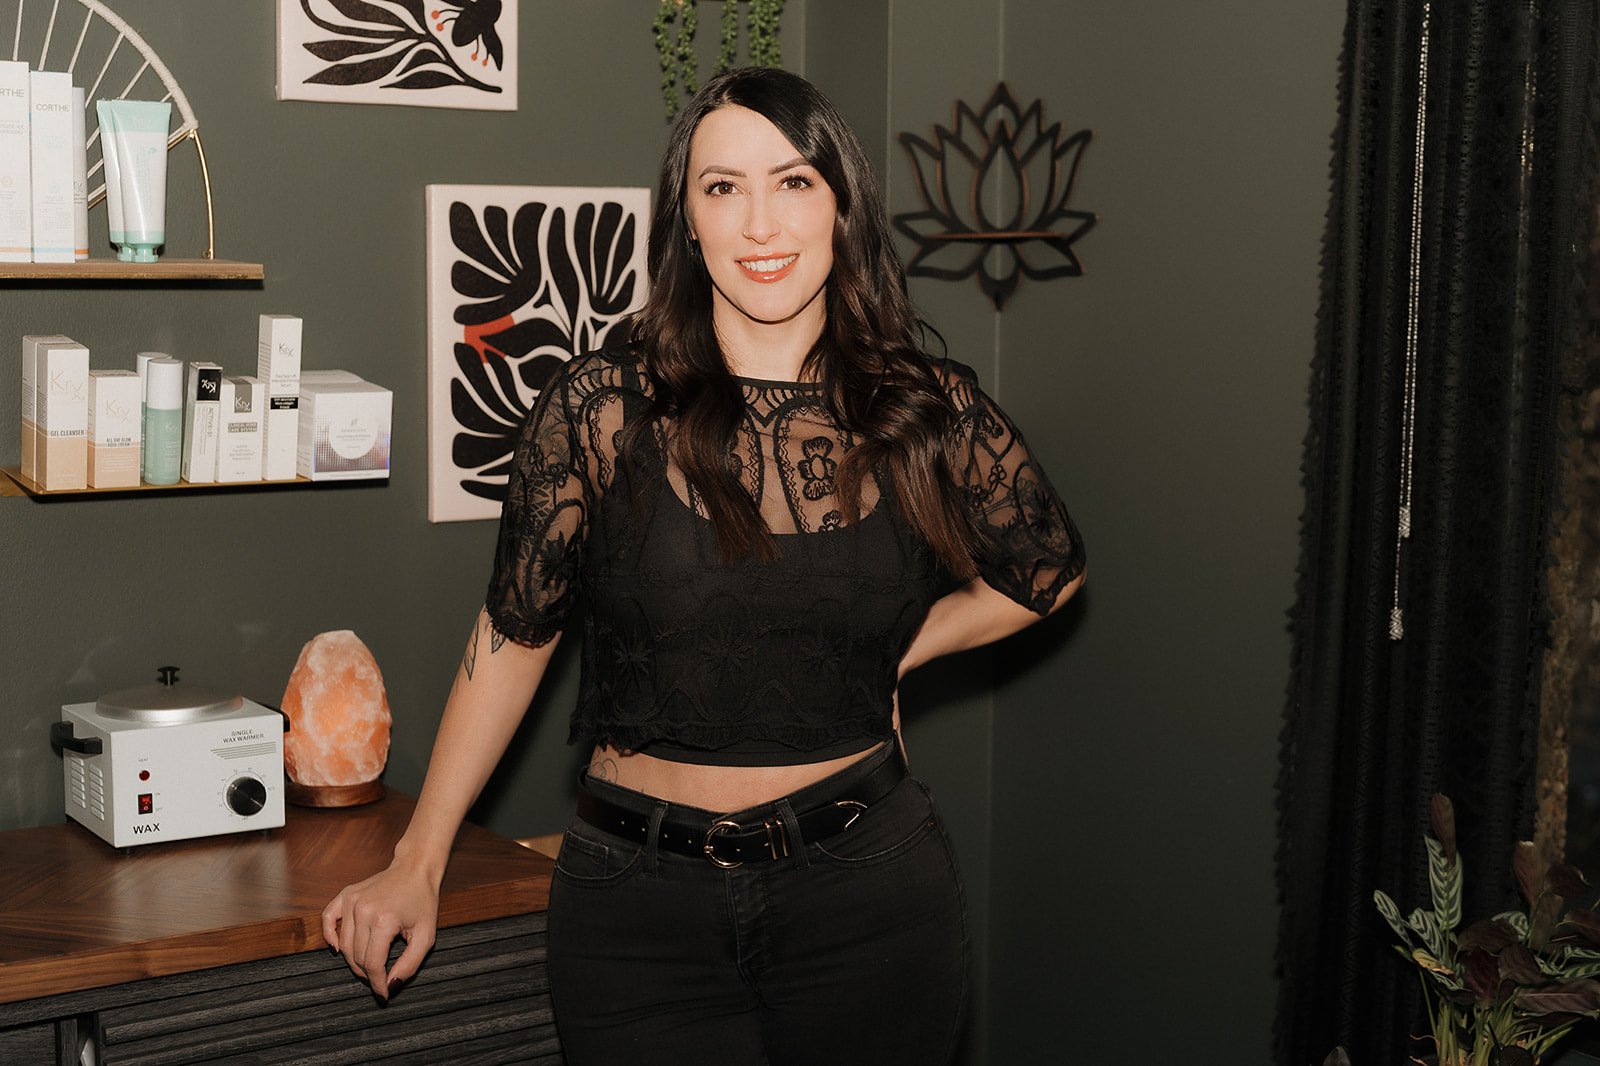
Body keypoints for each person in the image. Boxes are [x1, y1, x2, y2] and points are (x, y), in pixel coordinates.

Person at [322, 66, 1085, 1065]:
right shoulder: (599, 406)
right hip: (637, 914)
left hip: (869, 895)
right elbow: (513, 635)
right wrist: (415, 860)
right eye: (723, 188)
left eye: (794, 182)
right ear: (686, 220)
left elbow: (1047, 566)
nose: (760, 223)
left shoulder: (921, 408)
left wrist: (906, 649)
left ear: (842, 206)